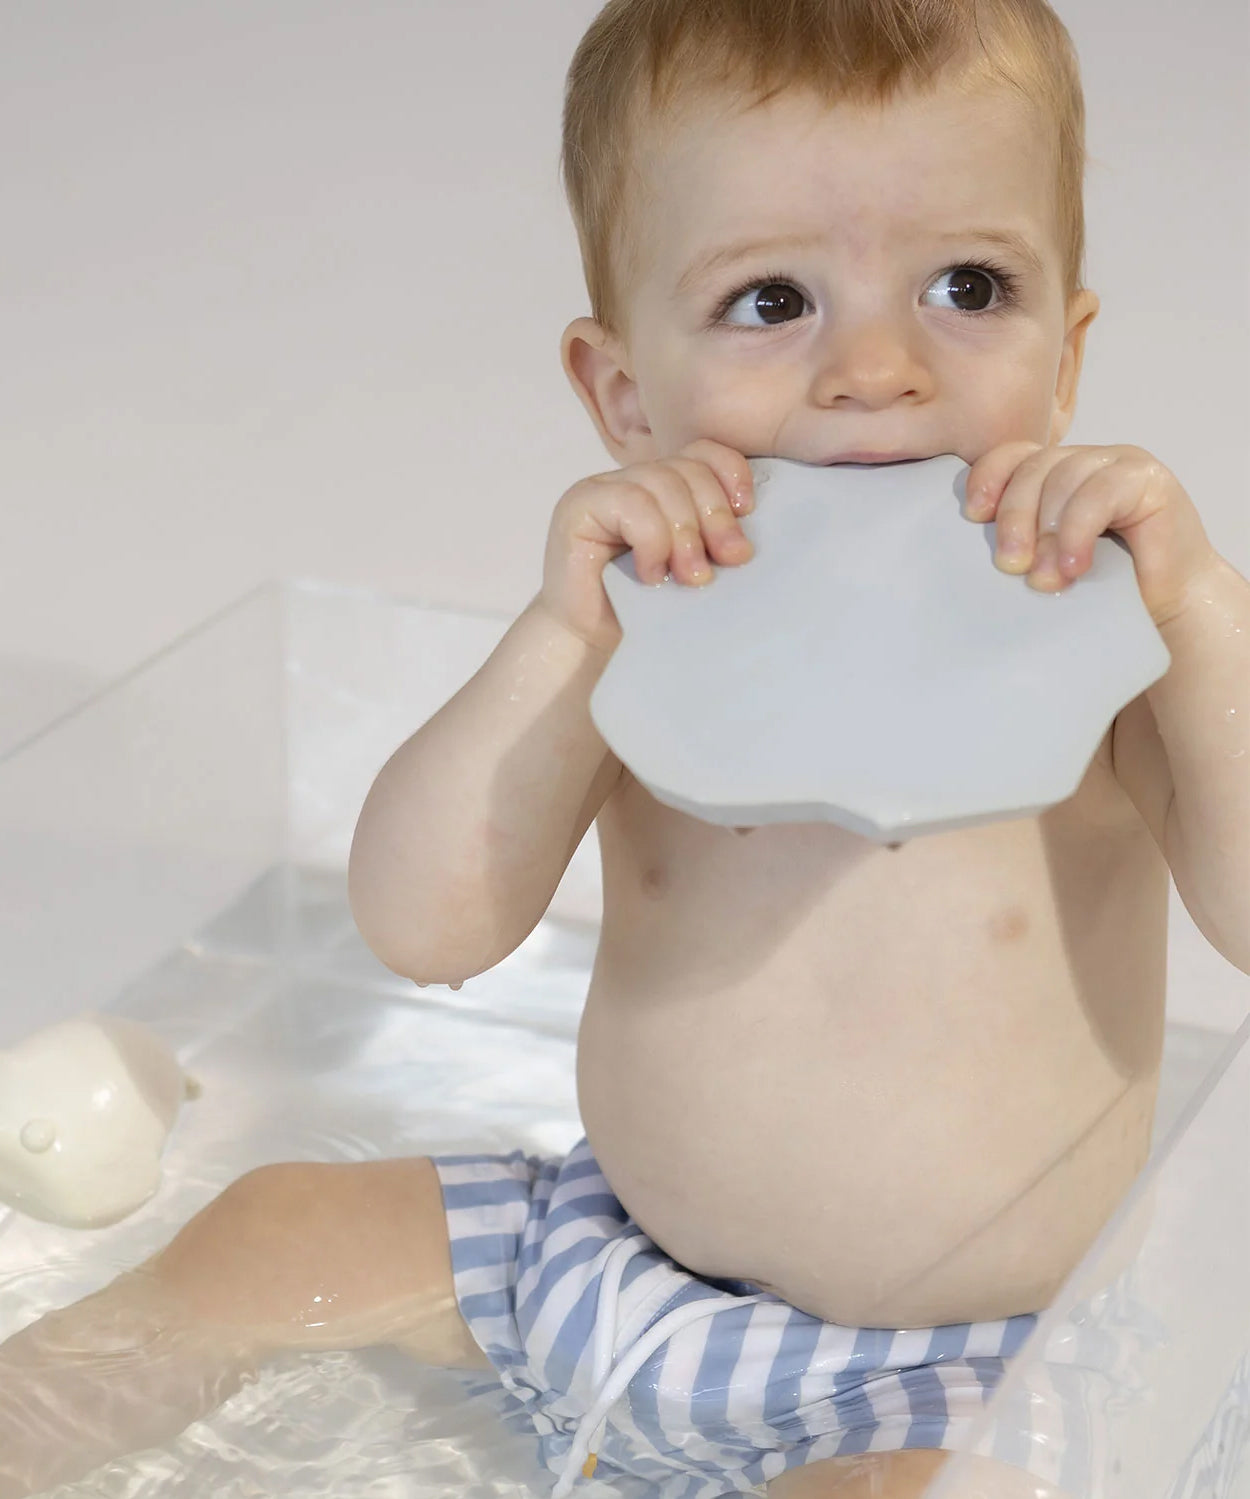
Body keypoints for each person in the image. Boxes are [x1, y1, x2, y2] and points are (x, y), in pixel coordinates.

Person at [2, 2, 1247, 1496]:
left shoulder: (1097, 648)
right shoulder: (645, 634)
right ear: (620, 393)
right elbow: (424, 928)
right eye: (770, 301)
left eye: (965, 285)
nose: (874, 367)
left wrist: (1201, 607)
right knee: (282, 1226)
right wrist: (559, 631)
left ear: (1068, 351)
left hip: (946, 1375)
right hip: (598, 1260)